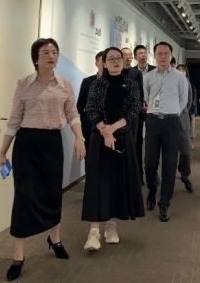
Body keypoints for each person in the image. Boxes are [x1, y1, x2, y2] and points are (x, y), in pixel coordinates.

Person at [0, 38, 86, 281]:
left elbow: (72, 113)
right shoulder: (24, 84)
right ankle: (18, 256)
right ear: (36, 58)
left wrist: (79, 137)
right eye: (46, 52)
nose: (51, 56)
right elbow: (14, 119)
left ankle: (55, 239)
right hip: (27, 145)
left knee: (52, 194)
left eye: (55, 52)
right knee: (24, 197)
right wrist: (2, 151)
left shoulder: (65, 84)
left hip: (52, 144)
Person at [82, 47, 145, 251]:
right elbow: (91, 109)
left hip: (122, 138)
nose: (116, 61)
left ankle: (111, 226)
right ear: (104, 63)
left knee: (116, 182)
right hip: (99, 139)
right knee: (96, 182)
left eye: (119, 58)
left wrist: (113, 129)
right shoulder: (97, 84)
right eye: (111, 59)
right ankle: (93, 233)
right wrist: (105, 131)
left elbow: (133, 110)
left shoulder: (132, 84)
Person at [143, 42, 188, 222]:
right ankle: (152, 189)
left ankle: (164, 203)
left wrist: (173, 112)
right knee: (149, 163)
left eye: (166, 53)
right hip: (153, 122)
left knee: (170, 164)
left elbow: (183, 99)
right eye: (159, 54)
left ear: (171, 55)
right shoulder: (147, 77)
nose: (163, 57)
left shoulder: (180, 76)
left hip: (171, 122)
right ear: (154, 56)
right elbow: (146, 97)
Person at [121, 47, 145, 184]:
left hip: (134, 117)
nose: (128, 57)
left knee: (135, 146)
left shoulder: (137, 73)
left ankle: (137, 177)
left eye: (130, 55)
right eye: (125, 55)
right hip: (118, 117)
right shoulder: (115, 72)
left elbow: (139, 94)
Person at [132, 44, 155, 184]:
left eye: (145, 53)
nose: (143, 55)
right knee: (137, 144)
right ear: (135, 56)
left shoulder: (155, 70)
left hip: (153, 111)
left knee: (153, 144)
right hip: (137, 112)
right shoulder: (132, 72)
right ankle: (138, 176)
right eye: (140, 53)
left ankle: (152, 174)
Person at [77, 51, 104, 166]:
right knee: (90, 158)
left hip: (109, 127)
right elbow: (80, 105)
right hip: (90, 126)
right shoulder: (87, 81)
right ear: (96, 64)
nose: (104, 64)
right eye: (102, 61)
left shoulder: (117, 82)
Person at [176, 64, 194, 193]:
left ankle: (185, 174)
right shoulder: (170, 83)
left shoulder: (188, 84)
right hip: (170, 122)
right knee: (169, 154)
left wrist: (182, 112)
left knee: (186, 152)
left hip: (183, 121)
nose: (181, 72)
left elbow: (189, 103)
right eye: (179, 70)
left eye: (184, 71)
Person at [190, 81, 198, 150]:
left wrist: (194, 110)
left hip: (191, 109)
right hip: (181, 110)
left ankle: (191, 142)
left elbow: (194, 100)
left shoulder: (191, 86)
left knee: (192, 127)